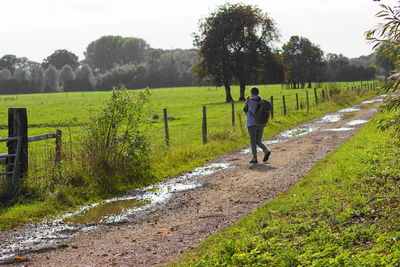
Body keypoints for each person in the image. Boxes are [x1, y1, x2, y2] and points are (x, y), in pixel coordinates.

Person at [243, 87, 271, 164]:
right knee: (258, 140)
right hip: (261, 123)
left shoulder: (250, 101)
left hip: (252, 123)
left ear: (251, 93)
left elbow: (245, 110)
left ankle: (254, 157)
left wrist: (246, 101)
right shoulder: (262, 101)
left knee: (253, 141)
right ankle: (266, 150)